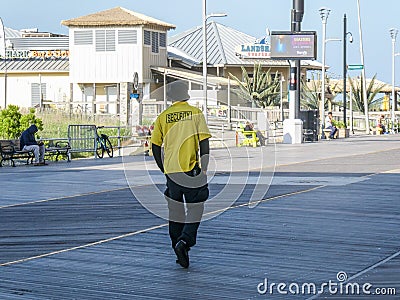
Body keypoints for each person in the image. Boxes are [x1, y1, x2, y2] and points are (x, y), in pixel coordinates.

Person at [151, 80, 211, 269]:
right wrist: (204, 169)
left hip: (172, 172)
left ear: (171, 97)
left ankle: (178, 250)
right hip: (190, 169)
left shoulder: (163, 116)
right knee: (196, 207)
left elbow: (155, 146)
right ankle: (184, 242)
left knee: (175, 212)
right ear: (186, 95)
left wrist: (164, 168)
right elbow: (204, 143)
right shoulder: (195, 113)